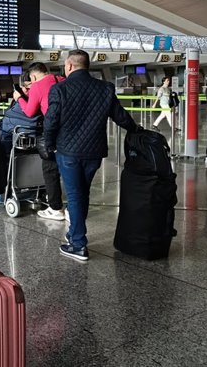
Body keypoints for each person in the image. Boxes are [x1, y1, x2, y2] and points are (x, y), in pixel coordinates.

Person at [44, 50, 137, 262]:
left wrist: (48, 146)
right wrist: (135, 129)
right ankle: (74, 233)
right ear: (87, 65)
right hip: (94, 152)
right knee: (82, 193)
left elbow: (51, 121)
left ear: (69, 66)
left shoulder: (59, 89)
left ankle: (78, 244)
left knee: (75, 196)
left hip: (68, 152)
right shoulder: (104, 88)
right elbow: (120, 116)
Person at [13, 62, 67, 221]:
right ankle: (72, 210)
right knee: (68, 170)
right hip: (69, 132)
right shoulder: (61, 80)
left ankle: (55, 208)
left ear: (33, 76)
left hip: (53, 132)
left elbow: (30, 112)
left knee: (50, 169)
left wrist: (19, 98)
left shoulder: (37, 86)